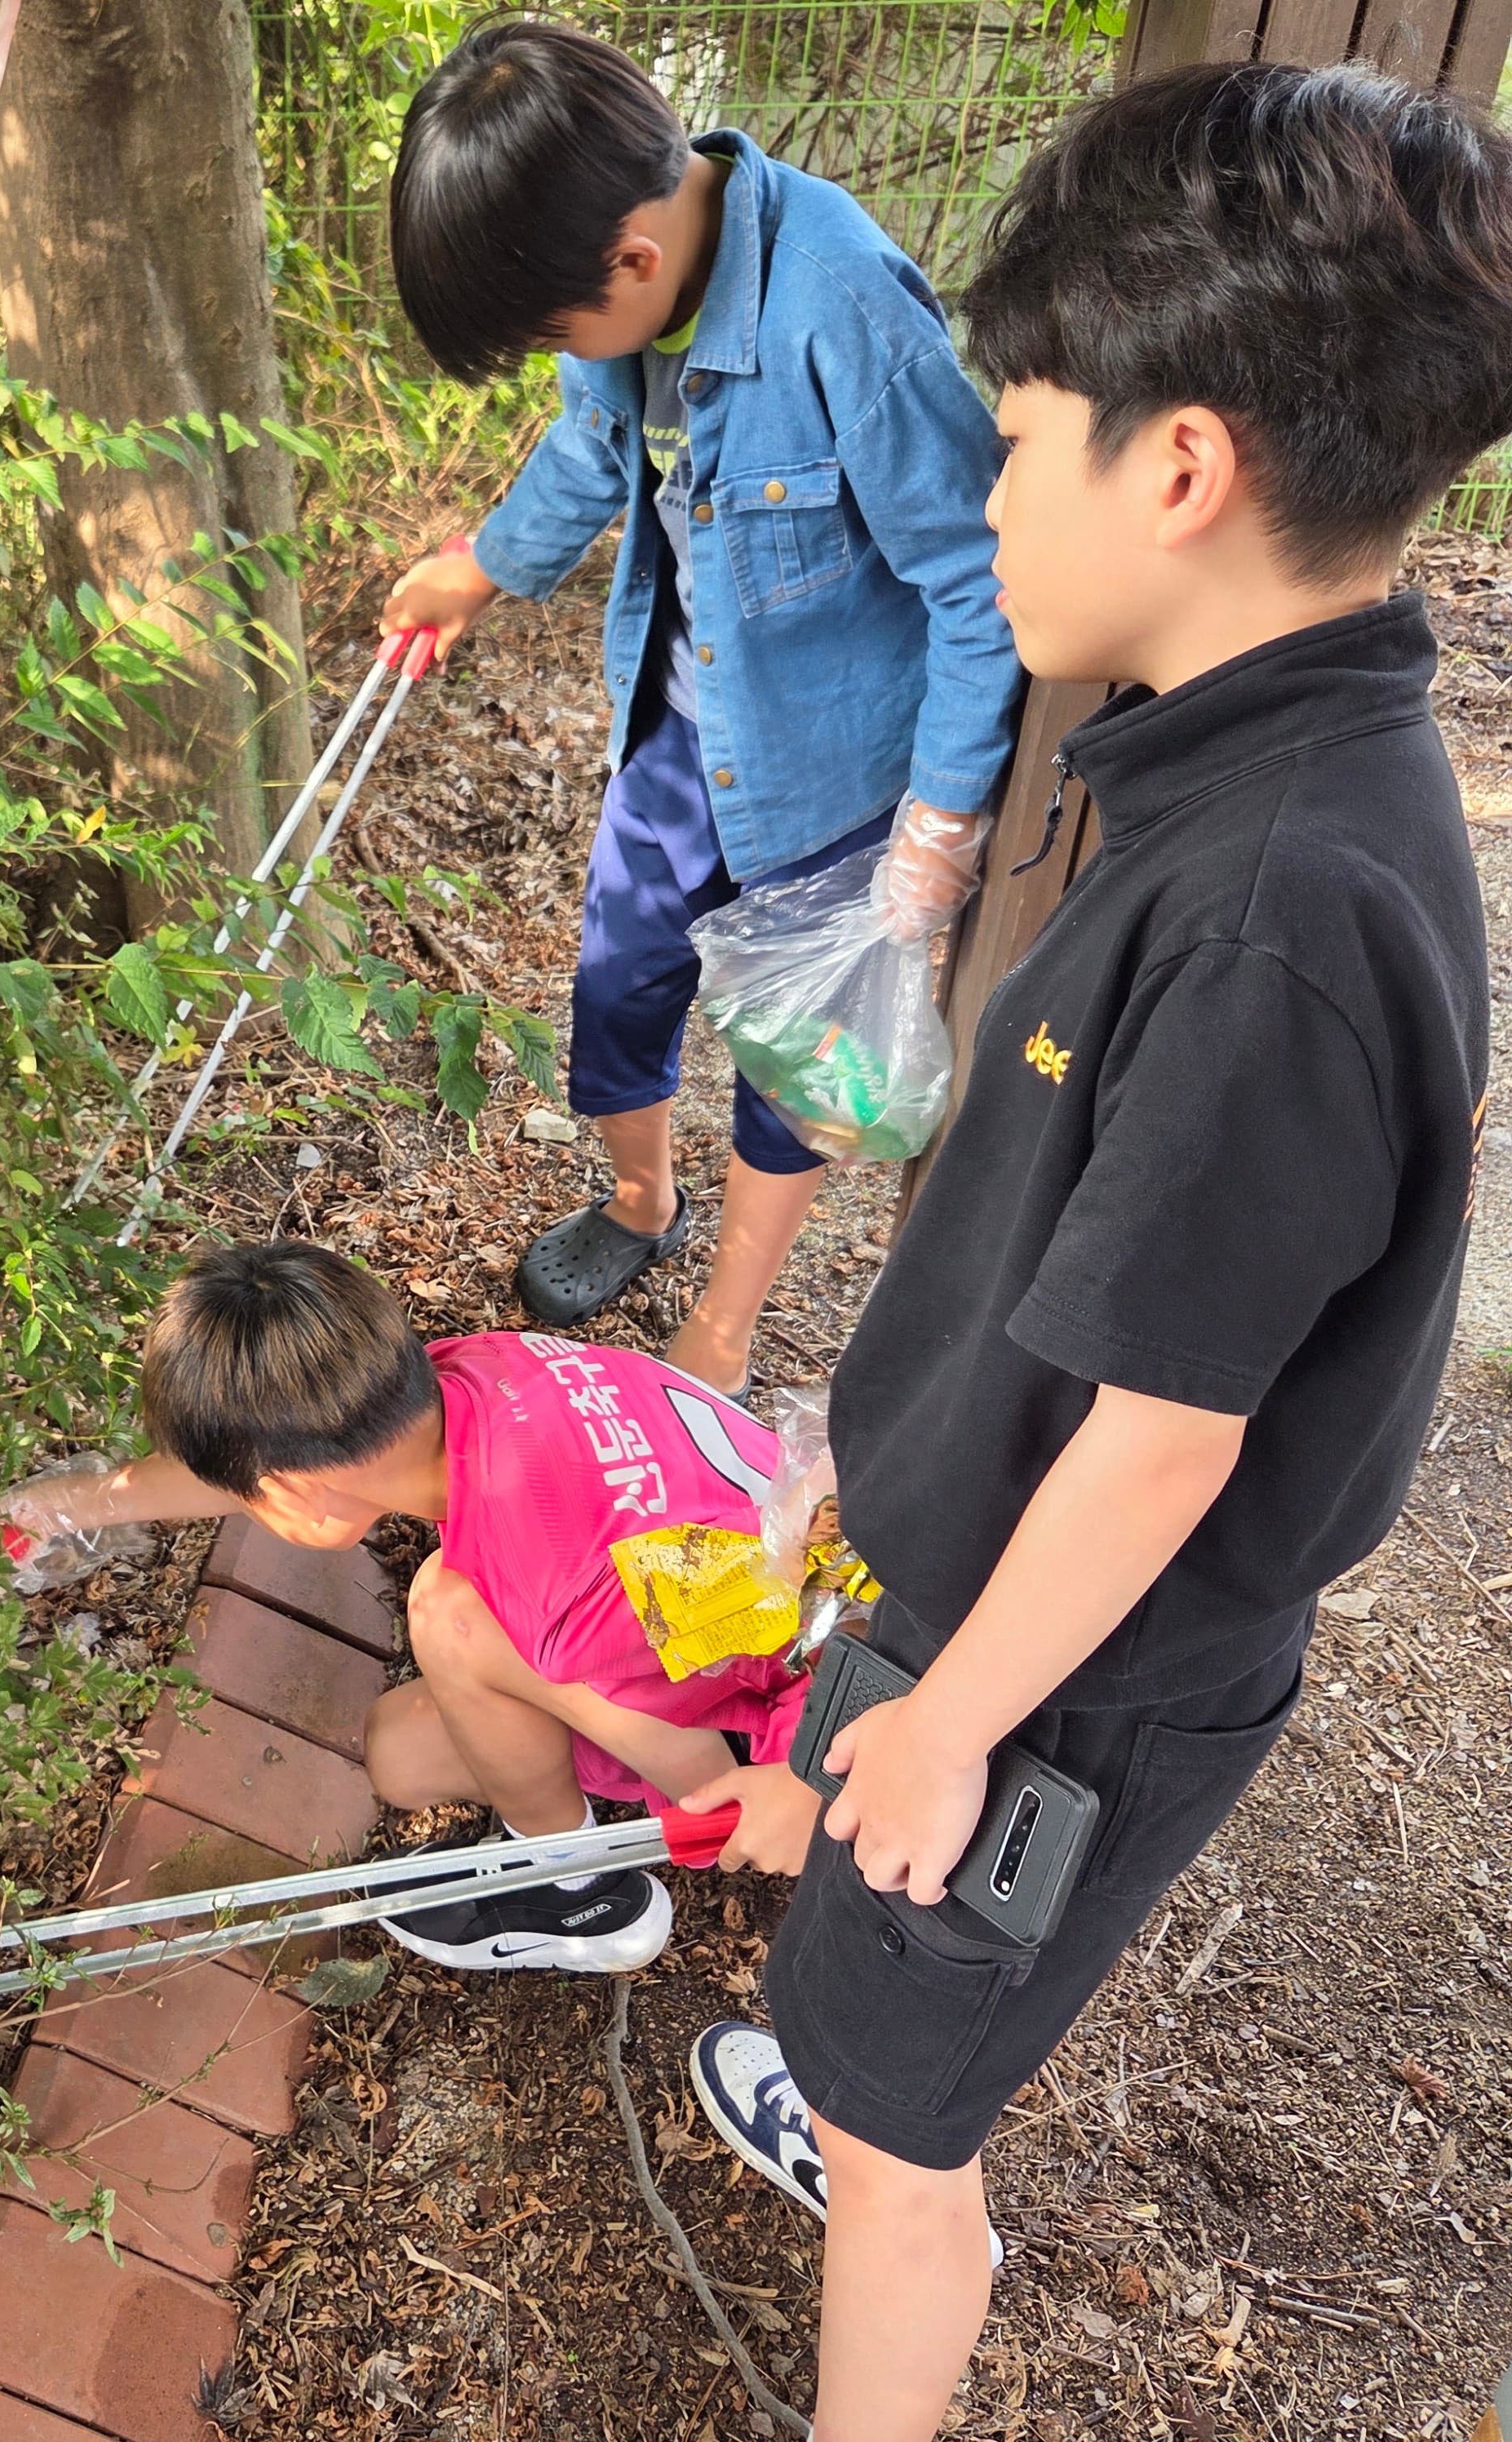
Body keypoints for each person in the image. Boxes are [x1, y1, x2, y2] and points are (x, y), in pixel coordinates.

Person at [681, 64, 1512, 2442]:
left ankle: (878, 2211)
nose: (983, 487)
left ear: (1176, 467)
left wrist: (948, 1713)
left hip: (1065, 1671)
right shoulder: (1225, 761)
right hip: (989, 1593)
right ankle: (854, 2068)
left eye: (1017, 425)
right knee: (868, 1994)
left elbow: (1165, 1436)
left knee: (900, 2136)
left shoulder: (1276, 910)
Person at [378, 19, 1022, 1389]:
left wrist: (940, 821)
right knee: (618, 978)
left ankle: (727, 1311)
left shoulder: (845, 312)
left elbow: (976, 580)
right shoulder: (619, 277)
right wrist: (476, 571)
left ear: (633, 261)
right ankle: (640, 1203)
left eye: (556, 332)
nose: (567, 356)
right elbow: (587, 444)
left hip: (836, 769)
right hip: (682, 736)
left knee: (802, 1050)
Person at [0, 1238, 827, 1972]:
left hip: (773, 1733)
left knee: (451, 1614)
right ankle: (560, 1828)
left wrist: (780, 1792)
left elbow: (760, 1716)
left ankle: (575, 1893)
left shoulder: (567, 1586)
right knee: (403, 1756)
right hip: (730, 1600)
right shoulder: (474, 1372)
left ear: (298, 1498)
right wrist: (66, 1503)